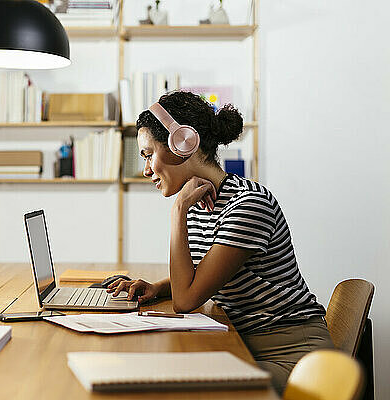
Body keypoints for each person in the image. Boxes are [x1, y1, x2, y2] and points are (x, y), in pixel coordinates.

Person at [107, 90, 334, 395]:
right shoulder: (202, 202)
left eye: (148, 154)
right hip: (244, 340)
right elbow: (201, 279)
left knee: (176, 386)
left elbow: (187, 302)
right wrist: (159, 288)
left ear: (183, 143)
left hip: (292, 355)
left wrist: (177, 211)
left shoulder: (247, 205)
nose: (146, 169)